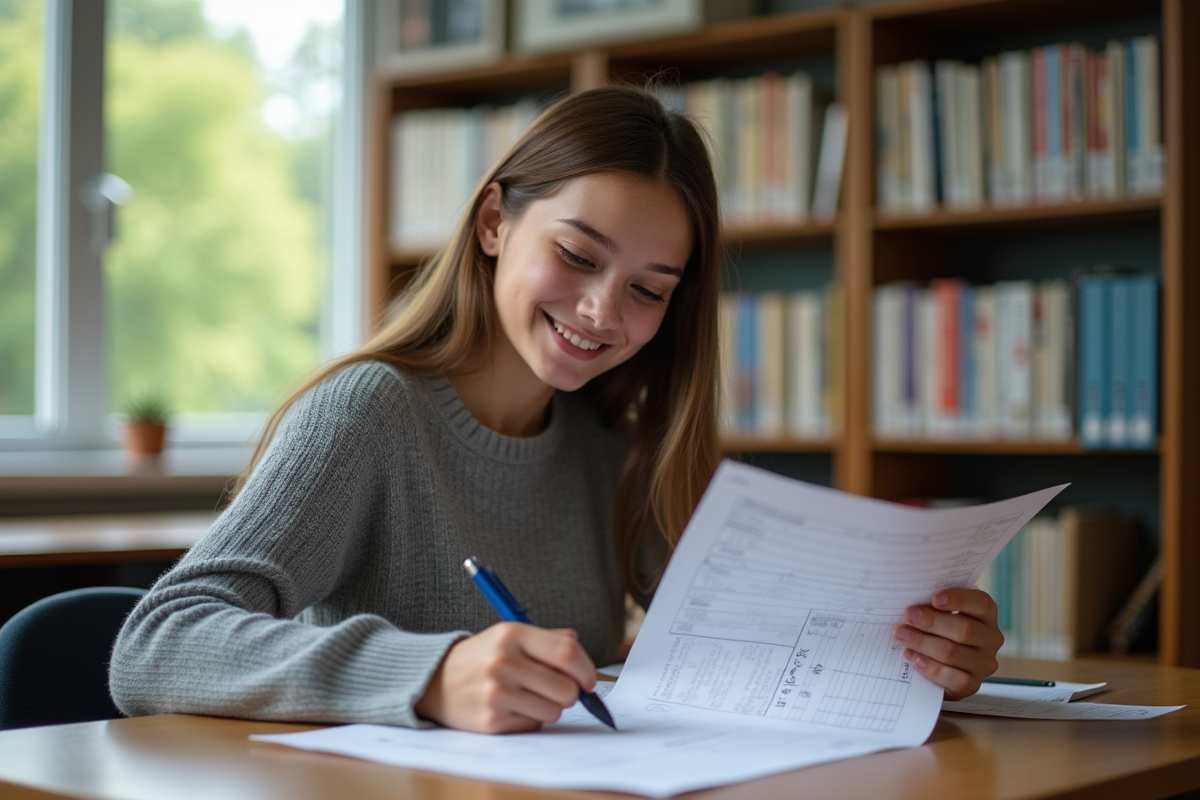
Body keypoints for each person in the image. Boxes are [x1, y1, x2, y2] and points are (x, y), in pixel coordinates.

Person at [109, 86, 1003, 734]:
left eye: (649, 291)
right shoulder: (369, 413)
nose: (602, 313)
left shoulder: (606, 439)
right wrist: (429, 674)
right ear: (494, 223)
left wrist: (916, 657)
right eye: (577, 256)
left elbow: (751, 645)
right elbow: (155, 644)